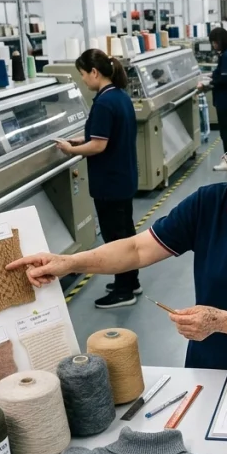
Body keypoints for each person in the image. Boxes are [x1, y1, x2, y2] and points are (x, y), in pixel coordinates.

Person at [8, 100, 227, 372]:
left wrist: (226, 323)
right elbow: (138, 250)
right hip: (208, 371)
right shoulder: (210, 204)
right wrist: (69, 263)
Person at [55, 49, 141, 309]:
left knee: (115, 237)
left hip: (110, 182)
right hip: (123, 177)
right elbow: (105, 136)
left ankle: (124, 291)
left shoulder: (103, 102)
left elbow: (99, 147)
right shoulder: (119, 96)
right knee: (125, 232)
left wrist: (72, 150)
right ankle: (129, 279)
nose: (82, 79)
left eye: (82, 74)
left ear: (94, 72)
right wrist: (85, 140)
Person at [203, 27, 227, 170]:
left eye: (214, 42)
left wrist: (208, 84)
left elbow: (224, 78)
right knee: (226, 130)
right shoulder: (226, 54)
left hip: (226, 99)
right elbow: (220, 72)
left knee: (226, 131)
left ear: (219, 41)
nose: (213, 45)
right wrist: (211, 76)